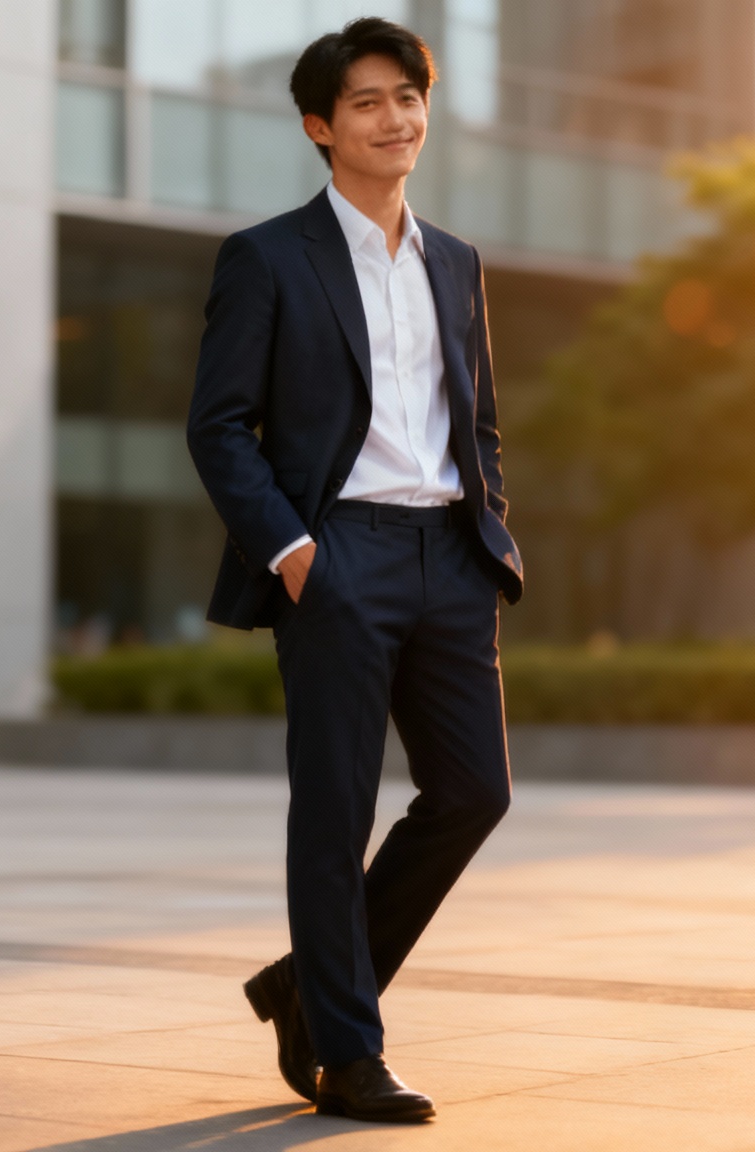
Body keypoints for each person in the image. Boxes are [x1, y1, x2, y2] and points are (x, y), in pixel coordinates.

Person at [185, 16, 524, 1125]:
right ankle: (346, 1052)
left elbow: (473, 423)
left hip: (446, 558)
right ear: (318, 127)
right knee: (333, 810)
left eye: (407, 98)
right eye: (366, 103)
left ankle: (309, 990)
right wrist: (291, 554)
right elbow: (218, 426)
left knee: (474, 790)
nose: (393, 119)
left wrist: (489, 538)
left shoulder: (456, 263)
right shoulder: (268, 257)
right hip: (336, 556)